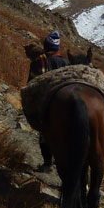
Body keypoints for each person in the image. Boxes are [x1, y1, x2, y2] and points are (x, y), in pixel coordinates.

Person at [27, 30, 69, 172]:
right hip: (67, 106)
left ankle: (47, 163)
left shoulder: (39, 63)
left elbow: (31, 85)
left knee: (45, 134)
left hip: (47, 105)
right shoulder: (66, 64)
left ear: (46, 46)